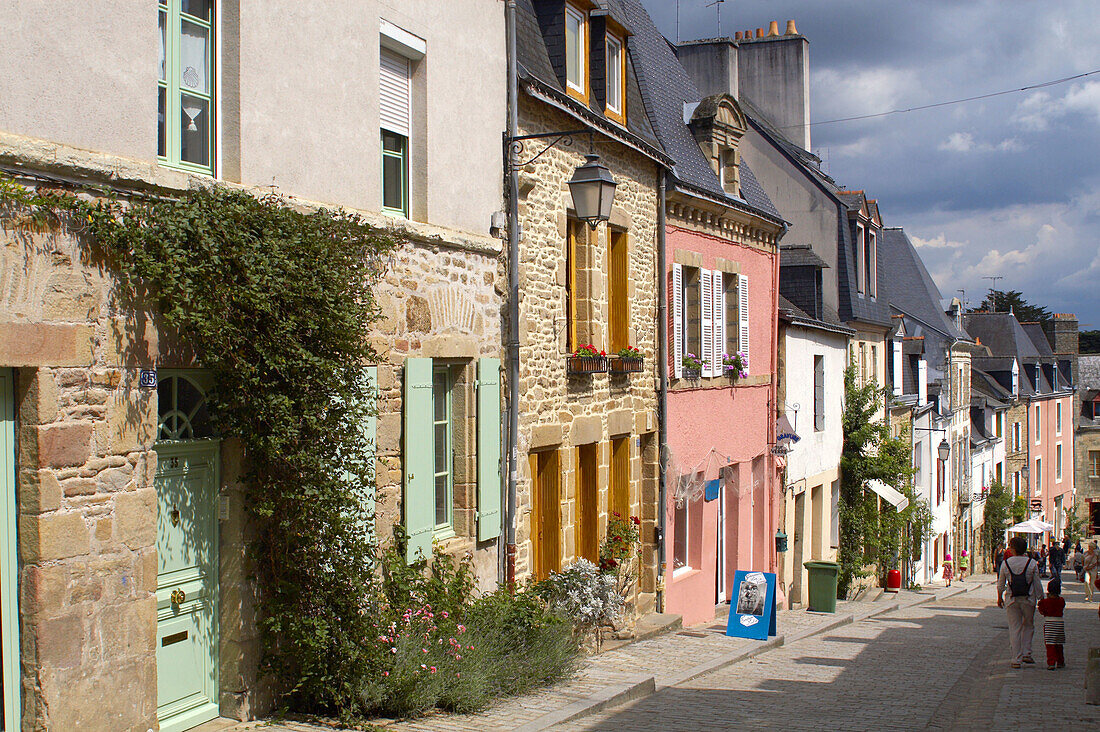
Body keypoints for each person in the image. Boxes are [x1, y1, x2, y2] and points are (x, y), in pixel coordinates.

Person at [998, 536, 1045, 668]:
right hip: (1028, 599)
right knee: (1029, 625)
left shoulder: (1006, 563)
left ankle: (1016, 658)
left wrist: (999, 597)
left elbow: (1001, 584)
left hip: (1012, 599)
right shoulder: (1031, 563)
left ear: (1013, 548)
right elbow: (1037, 583)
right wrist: (1041, 598)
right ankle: (1027, 652)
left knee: (1015, 627)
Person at [1037, 578, 1066, 670]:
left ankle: (1051, 662)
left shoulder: (1045, 602)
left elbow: (1041, 610)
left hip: (1049, 623)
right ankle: (1060, 661)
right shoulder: (1061, 600)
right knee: (1059, 644)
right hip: (1059, 623)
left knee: (1050, 644)